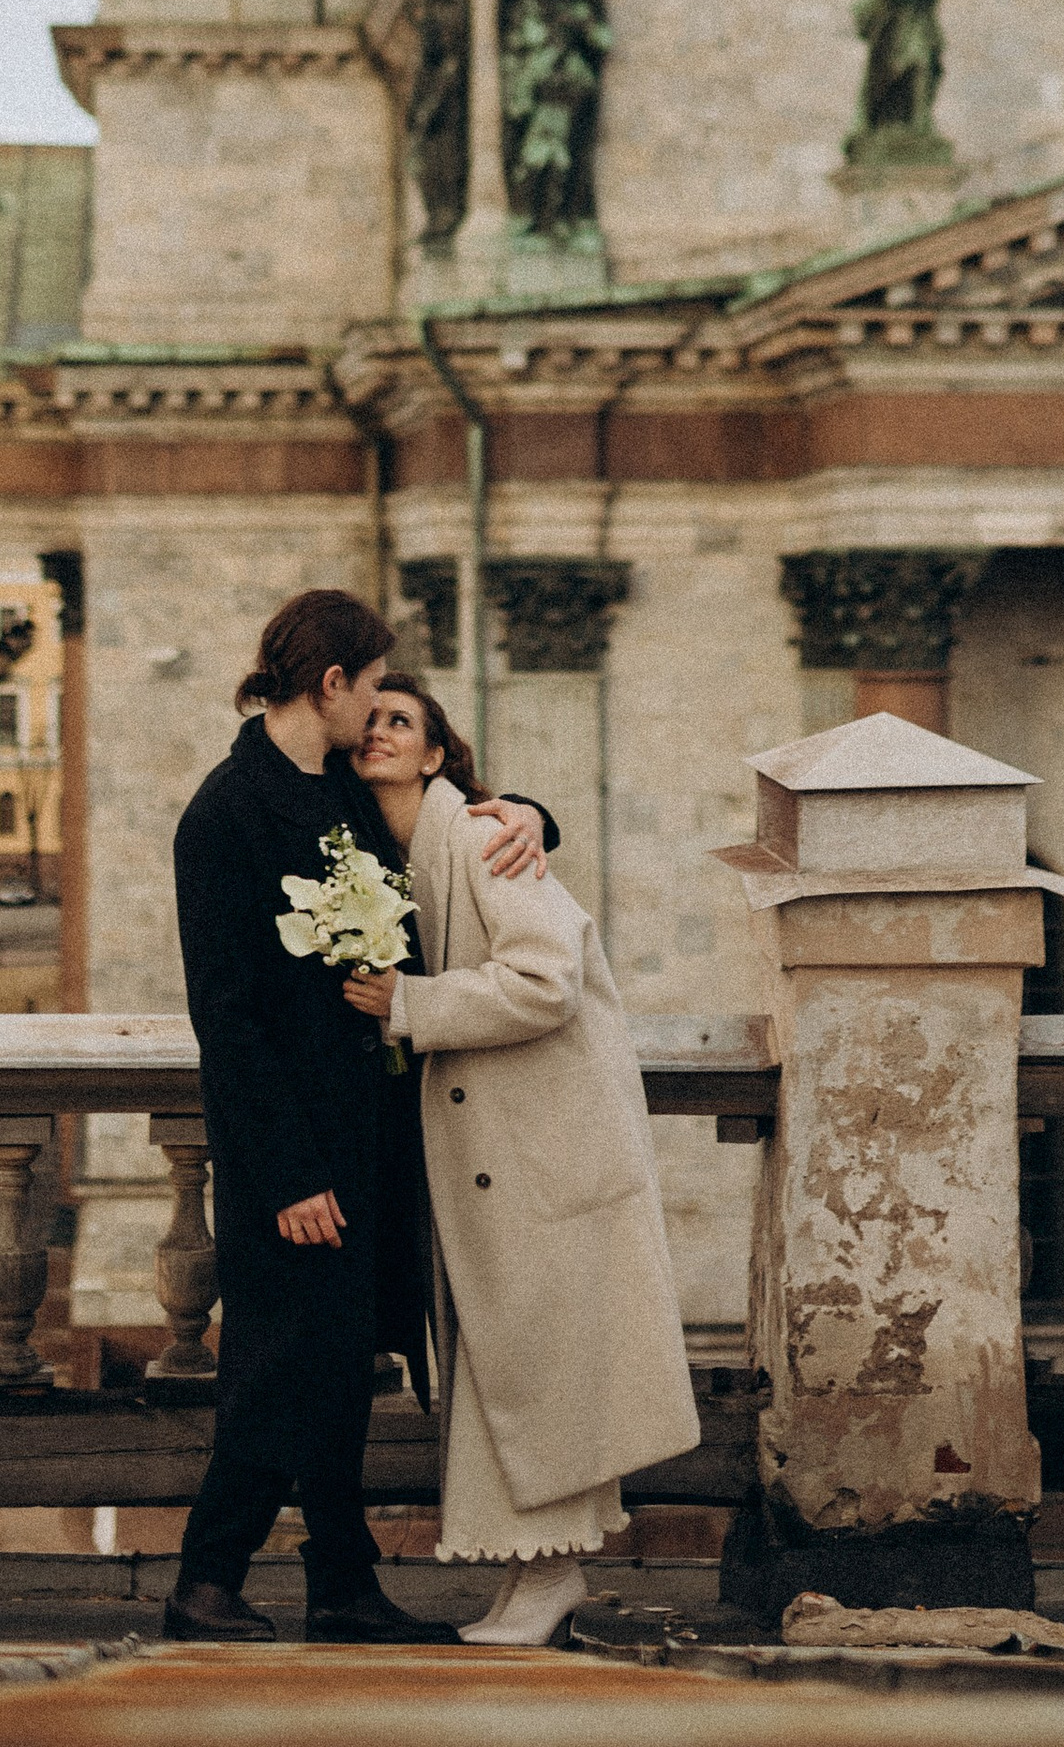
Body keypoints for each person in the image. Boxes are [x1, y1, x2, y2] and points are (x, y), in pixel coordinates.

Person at [165, 587, 554, 1646]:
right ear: (330, 685)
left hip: (372, 1137)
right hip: (288, 1155)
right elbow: (228, 1021)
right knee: (275, 1368)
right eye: (375, 685)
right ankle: (207, 1581)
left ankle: (341, 1584)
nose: (383, 707)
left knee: (339, 1370)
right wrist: (288, 1176)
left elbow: (446, 796)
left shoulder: (336, 781)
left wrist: (527, 815)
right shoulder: (225, 813)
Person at [345, 674, 699, 1651]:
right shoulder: (383, 852)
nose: (379, 733)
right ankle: (531, 1582)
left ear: (434, 753)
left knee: (535, 1367)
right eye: (366, 721)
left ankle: (549, 1580)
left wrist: (408, 1008)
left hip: (538, 1152)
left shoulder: (481, 837)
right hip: (488, 1156)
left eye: (401, 722)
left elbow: (544, 981)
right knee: (503, 1368)